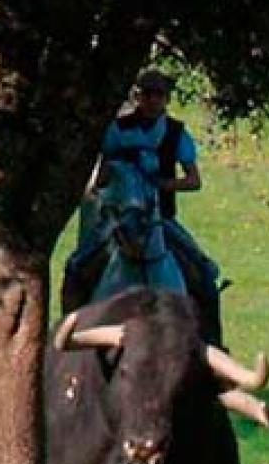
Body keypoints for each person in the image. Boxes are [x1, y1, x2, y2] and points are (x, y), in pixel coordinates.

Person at [62, 69, 228, 344]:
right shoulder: (117, 129)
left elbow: (193, 180)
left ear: (166, 99)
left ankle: (213, 345)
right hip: (117, 220)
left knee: (205, 276)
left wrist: (163, 184)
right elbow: (102, 175)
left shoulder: (176, 133)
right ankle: (67, 341)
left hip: (161, 219)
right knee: (76, 267)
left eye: (158, 95)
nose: (152, 101)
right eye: (147, 94)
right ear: (138, 97)